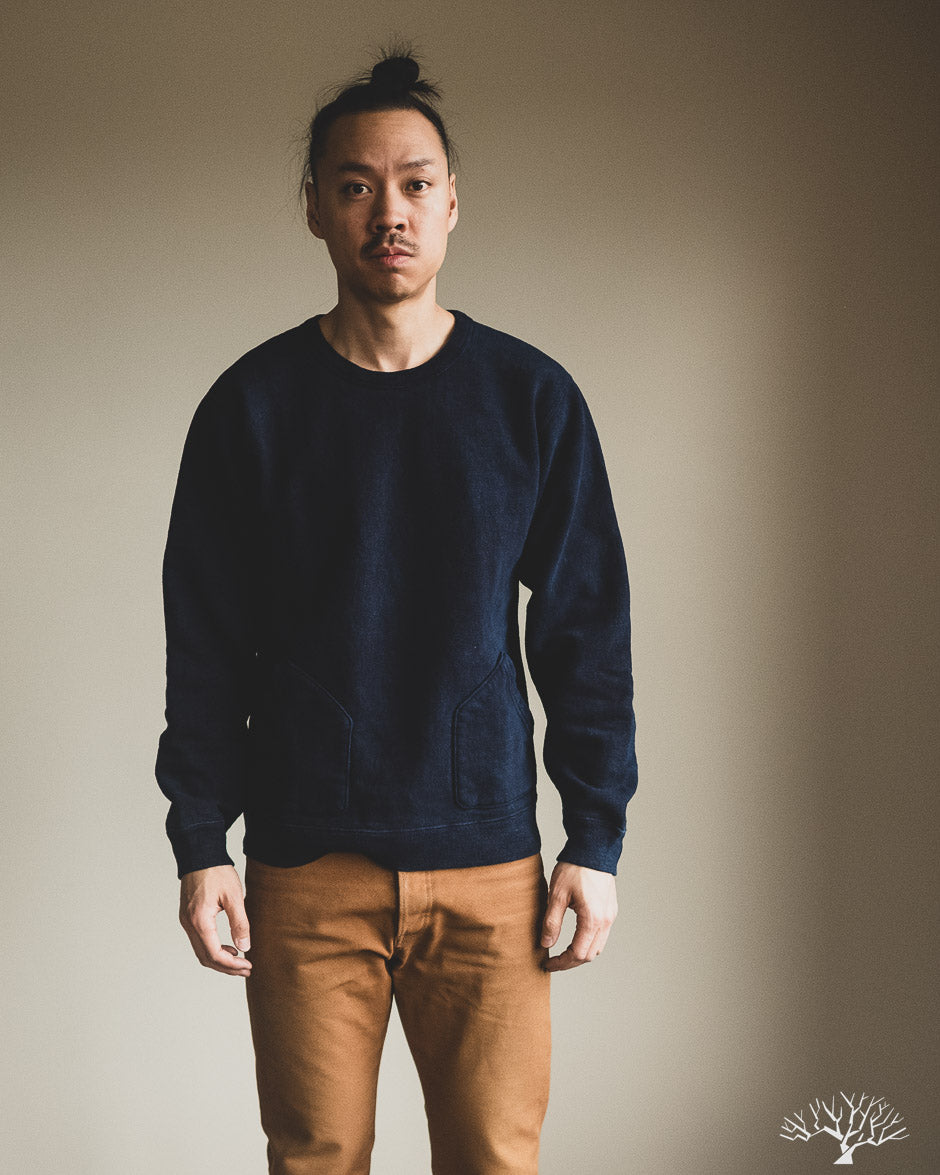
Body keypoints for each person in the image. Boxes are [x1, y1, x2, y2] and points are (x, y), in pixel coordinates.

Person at [155, 46, 638, 1175]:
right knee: (315, 1156)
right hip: (304, 867)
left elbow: (586, 627)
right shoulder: (253, 407)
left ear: (452, 202)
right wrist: (200, 840)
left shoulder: (529, 398)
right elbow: (205, 640)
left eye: (415, 184)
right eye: (357, 185)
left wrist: (596, 834)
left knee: (495, 1158)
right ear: (314, 208)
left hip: (488, 863)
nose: (390, 212)